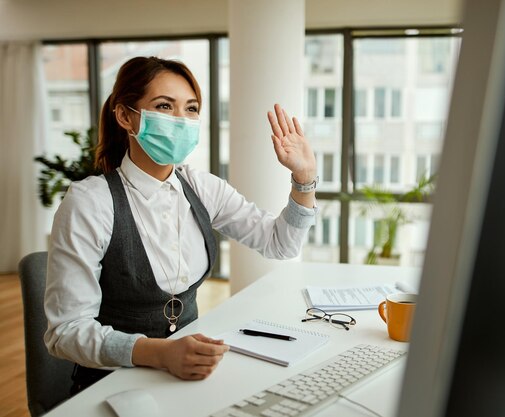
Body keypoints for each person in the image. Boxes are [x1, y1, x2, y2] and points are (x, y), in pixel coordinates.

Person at [43, 56, 318, 394]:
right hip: (112, 384)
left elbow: (281, 244)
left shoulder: (202, 187)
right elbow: (66, 332)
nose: (181, 120)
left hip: (191, 375)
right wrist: (158, 354)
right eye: (164, 106)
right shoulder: (90, 203)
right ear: (126, 116)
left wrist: (303, 179)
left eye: (190, 109)